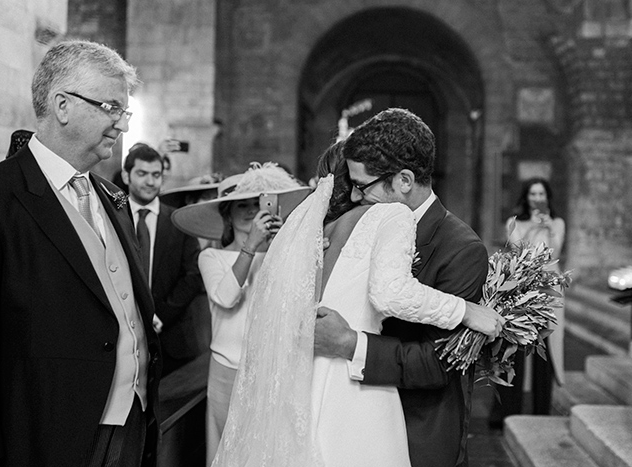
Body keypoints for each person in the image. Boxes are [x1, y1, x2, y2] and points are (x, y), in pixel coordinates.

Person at [209, 137, 504, 466]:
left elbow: (437, 363)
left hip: (352, 395)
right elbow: (391, 292)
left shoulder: (311, 235)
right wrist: (464, 311)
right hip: (355, 393)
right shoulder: (379, 219)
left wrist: (350, 343)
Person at [0, 40, 161, 467]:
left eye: (123, 111)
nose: (122, 125)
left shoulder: (113, 197)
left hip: (133, 418)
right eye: (112, 108)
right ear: (62, 105)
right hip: (47, 427)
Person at [314, 108, 493, 467]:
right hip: (348, 418)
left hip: (417, 432)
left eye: (362, 186)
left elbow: (438, 364)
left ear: (405, 181)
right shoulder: (359, 226)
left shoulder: (460, 249)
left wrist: (350, 344)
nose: (352, 197)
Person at [170, 162, 312, 467]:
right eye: (241, 206)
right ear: (227, 215)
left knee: (264, 451)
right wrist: (250, 247)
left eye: (256, 204)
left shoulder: (281, 256)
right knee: (226, 449)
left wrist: (280, 244)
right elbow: (226, 297)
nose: (250, 212)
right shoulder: (211, 256)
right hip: (227, 369)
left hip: (271, 366)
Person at [122, 143, 205, 376]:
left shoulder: (179, 221)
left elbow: (192, 276)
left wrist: (159, 316)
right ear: (126, 176)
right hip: (121, 336)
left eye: (156, 175)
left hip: (170, 338)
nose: (150, 182)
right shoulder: (111, 217)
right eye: (142, 174)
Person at [490, 177, 566, 425]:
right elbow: (521, 252)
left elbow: (554, 253)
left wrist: (548, 228)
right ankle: (507, 410)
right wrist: (534, 227)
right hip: (522, 289)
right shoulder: (515, 223)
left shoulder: (557, 223)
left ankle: (541, 409)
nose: (537, 198)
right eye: (532, 194)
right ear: (526, 197)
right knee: (516, 347)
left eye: (541, 194)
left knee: (546, 347)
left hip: (549, 290)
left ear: (547, 197)